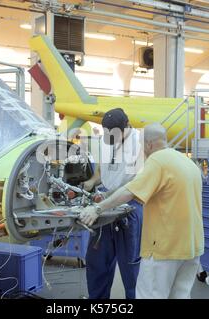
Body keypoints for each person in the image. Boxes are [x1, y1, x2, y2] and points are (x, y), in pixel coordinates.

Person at [80, 123, 204, 299]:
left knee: (150, 295)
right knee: (180, 296)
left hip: (164, 249)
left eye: (140, 146)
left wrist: (97, 208)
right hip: (192, 247)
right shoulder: (187, 162)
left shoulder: (157, 161)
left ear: (148, 144)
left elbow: (130, 191)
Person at [82, 108, 143, 299]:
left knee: (131, 268)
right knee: (97, 263)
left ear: (127, 126)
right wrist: (91, 182)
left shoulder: (141, 143)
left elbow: (136, 184)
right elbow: (103, 170)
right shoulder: (106, 140)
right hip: (104, 207)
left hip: (130, 208)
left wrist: (105, 199)